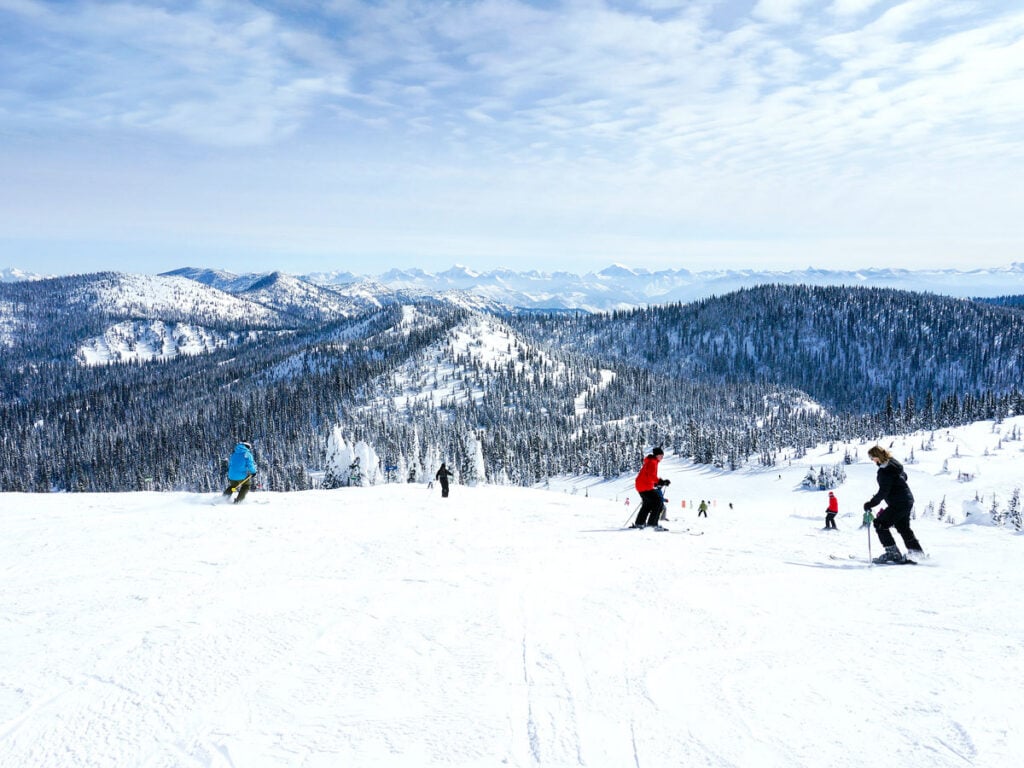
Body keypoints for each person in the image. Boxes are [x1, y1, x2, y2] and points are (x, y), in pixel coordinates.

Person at [864, 446, 924, 563]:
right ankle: (917, 554)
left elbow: (883, 492)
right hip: (907, 500)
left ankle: (893, 554)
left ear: (877, 456)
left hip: (898, 503)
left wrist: (870, 504)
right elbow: (904, 476)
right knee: (903, 527)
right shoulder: (894, 464)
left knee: (880, 524)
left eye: (872, 458)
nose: (872, 460)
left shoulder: (884, 471)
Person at [631, 447, 670, 529]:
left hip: (641, 485)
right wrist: (661, 481)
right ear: (657, 455)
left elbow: (648, 475)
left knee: (647, 504)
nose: (662, 457)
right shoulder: (653, 462)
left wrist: (656, 483)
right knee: (658, 501)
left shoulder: (651, 461)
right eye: (661, 455)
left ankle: (640, 523)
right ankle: (652, 523)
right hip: (645, 486)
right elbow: (651, 475)